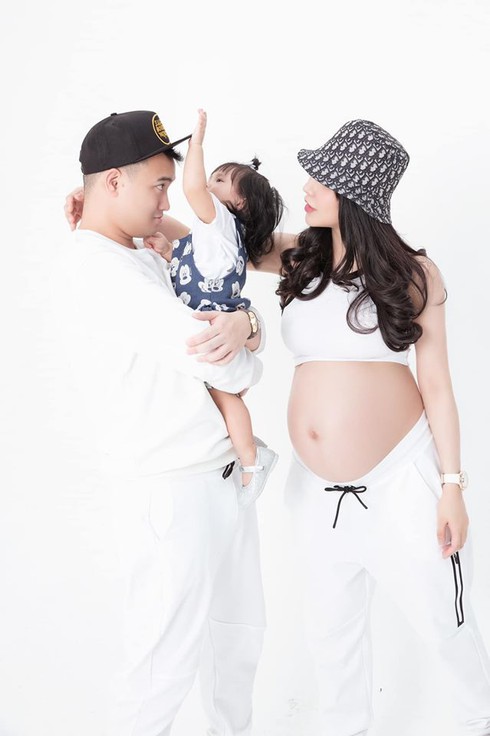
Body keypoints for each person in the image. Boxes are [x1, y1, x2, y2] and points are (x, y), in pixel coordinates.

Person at [254, 119, 490, 734]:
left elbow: (437, 385)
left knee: (444, 625)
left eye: (323, 179)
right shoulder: (300, 257)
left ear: (355, 192)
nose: (307, 188)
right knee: (330, 637)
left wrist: (452, 486)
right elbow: (214, 242)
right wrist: (131, 226)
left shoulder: (414, 273)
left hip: (400, 480)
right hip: (314, 491)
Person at [52, 109, 268, 736]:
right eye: (158, 186)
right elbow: (220, 362)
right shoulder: (100, 270)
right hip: (171, 489)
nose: (167, 202)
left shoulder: (139, 250)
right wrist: (249, 346)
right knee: (160, 668)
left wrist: (245, 325)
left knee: (236, 645)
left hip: (214, 477)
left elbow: (221, 320)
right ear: (113, 182)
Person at [145, 108, 283, 506]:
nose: (208, 183)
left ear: (238, 203)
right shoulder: (211, 237)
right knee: (219, 399)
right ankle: (244, 453)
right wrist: (169, 252)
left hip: (215, 334)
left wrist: (197, 145)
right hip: (214, 330)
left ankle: (252, 458)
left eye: (219, 181)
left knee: (225, 398)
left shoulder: (219, 223)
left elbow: (192, 189)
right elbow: (195, 267)